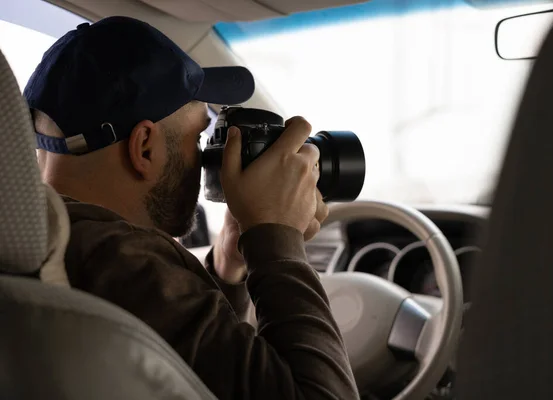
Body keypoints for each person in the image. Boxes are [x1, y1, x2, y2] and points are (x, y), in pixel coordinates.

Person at [26, 16, 359, 400]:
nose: (205, 157)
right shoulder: (123, 263)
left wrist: (227, 265)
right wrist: (277, 240)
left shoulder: (51, 244)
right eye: (198, 136)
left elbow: (198, 362)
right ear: (144, 147)